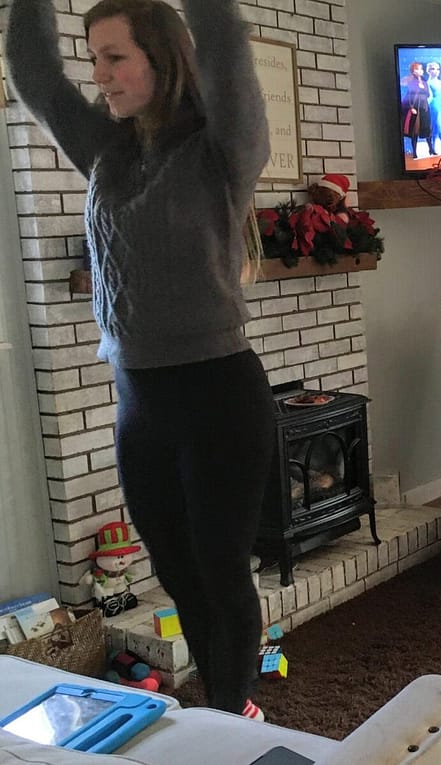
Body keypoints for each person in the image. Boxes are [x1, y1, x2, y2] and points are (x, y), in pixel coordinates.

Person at [6, 0, 275, 722]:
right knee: (179, 574)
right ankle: (224, 708)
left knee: (222, 573)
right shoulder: (107, 149)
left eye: (114, 57)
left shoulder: (224, 144)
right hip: (139, 402)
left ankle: (230, 713)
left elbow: (223, 48)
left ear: (161, 57)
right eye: (93, 57)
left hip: (219, 394)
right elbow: (35, 76)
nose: (99, 76)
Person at [401, 61, 435, 159]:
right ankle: (415, 152)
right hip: (416, 108)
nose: (420, 71)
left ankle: (431, 149)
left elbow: (427, 94)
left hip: (424, 108)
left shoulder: (424, 82)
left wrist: (423, 89)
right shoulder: (411, 82)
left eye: (421, 69)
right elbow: (409, 96)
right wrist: (411, 108)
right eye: (417, 69)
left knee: (427, 129)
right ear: (413, 71)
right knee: (414, 131)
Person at [425, 61, 441, 154]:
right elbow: (430, 96)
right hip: (434, 105)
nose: (436, 71)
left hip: (440, 104)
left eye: (438, 69)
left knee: (438, 125)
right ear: (428, 71)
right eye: (433, 69)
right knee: (438, 124)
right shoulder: (428, 83)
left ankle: (435, 146)